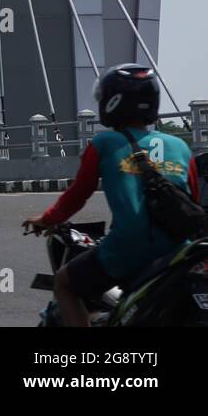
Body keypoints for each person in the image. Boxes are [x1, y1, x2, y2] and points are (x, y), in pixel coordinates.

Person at [23, 64, 200, 327]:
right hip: (178, 251)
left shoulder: (103, 144)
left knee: (64, 283)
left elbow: (77, 196)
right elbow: (193, 200)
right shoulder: (180, 146)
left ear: (113, 101)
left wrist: (46, 219)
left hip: (127, 248)